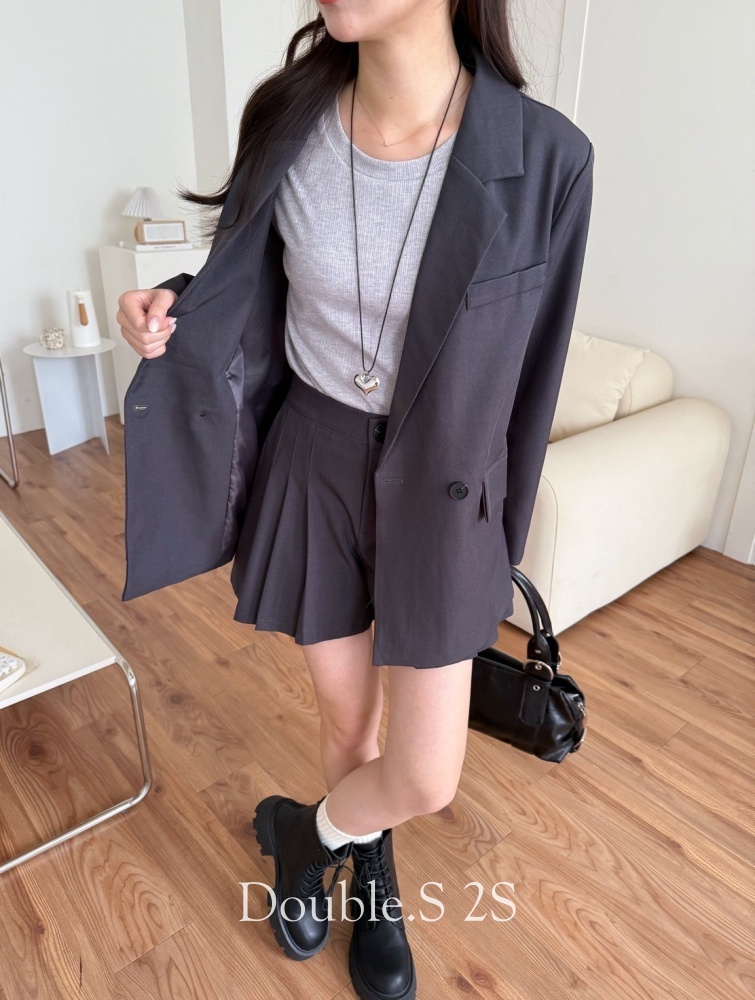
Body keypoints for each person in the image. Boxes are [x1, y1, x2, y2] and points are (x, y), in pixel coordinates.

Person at [117, 2, 593, 998]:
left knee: (423, 774)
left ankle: (314, 834)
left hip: (445, 489)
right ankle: (371, 880)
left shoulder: (546, 156)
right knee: (347, 730)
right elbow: (250, 279)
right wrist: (170, 302)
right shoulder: (286, 116)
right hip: (316, 459)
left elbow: (535, 375)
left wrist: (490, 547)